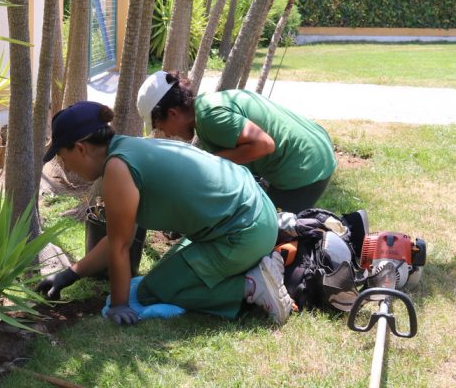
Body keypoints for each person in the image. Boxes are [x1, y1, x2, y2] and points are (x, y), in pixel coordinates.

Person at [35, 101, 294, 325]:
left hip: (243, 231)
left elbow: (120, 246)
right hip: (256, 214)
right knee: (168, 271)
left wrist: (119, 305)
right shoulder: (130, 149)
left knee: (153, 289)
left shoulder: (118, 168)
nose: (65, 166)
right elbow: (116, 239)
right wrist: (70, 274)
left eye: (62, 156)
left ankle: (250, 286)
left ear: (80, 148)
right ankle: (254, 269)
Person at [136, 71, 337, 213]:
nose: (167, 135)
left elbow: (264, 144)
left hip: (305, 165)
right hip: (316, 148)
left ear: (172, 113)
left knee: (273, 243)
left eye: (161, 127)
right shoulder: (208, 108)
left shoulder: (209, 117)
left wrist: (211, 161)